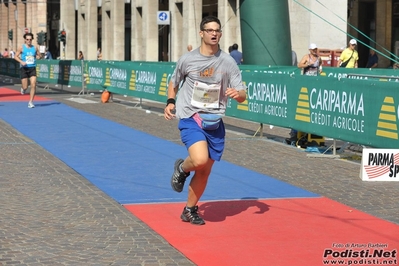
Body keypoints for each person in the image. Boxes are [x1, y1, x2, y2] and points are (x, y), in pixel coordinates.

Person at [164, 16, 247, 225]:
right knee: (199, 160)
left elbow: (243, 92)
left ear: (220, 34)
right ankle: (183, 167)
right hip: (191, 116)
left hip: (215, 121)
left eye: (217, 30)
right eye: (209, 30)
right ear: (201, 33)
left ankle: (189, 209)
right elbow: (173, 82)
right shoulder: (188, 59)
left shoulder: (227, 61)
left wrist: (237, 94)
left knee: (205, 170)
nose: (214, 33)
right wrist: (170, 102)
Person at [14, 33, 40, 108]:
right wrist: (21, 62)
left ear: (32, 40)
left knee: (33, 84)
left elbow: (39, 55)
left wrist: (39, 56)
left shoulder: (35, 47)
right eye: (27, 39)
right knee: (25, 86)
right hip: (24, 68)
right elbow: (15, 56)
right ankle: (23, 88)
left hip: (32, 68)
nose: (29, 41)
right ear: (25, 40)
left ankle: (31, 102)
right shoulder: (21, 47)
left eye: (30, 39)